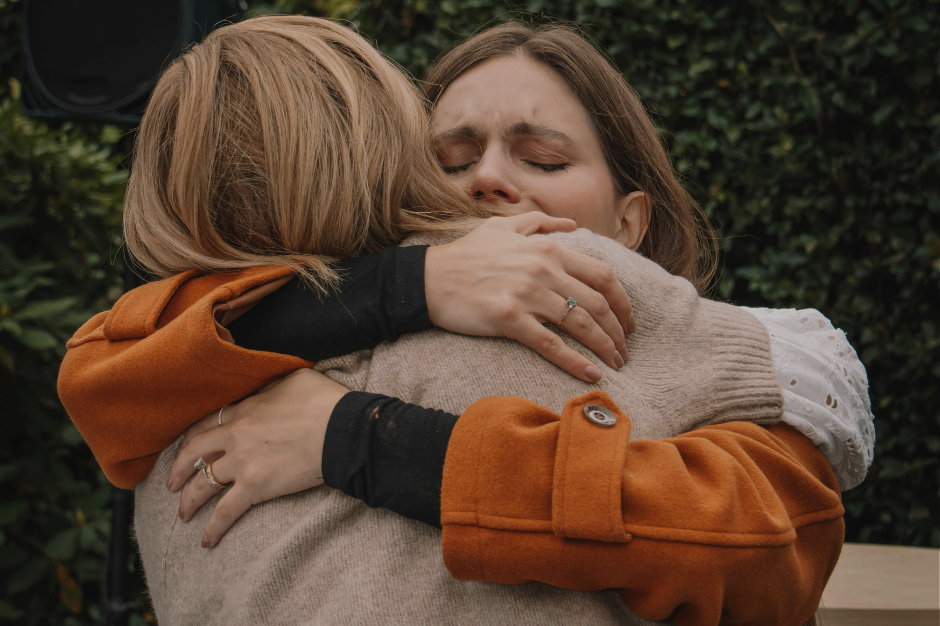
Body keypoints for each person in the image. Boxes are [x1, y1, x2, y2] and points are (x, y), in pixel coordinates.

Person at [56, 17, 871, 626]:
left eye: (543, 160)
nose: (485, 183)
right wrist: (410, 281)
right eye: (445, 164)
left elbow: (781, 490)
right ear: (392, 183)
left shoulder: (182, 380)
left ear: (630, 224)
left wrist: (367, 440)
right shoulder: (247, 329)